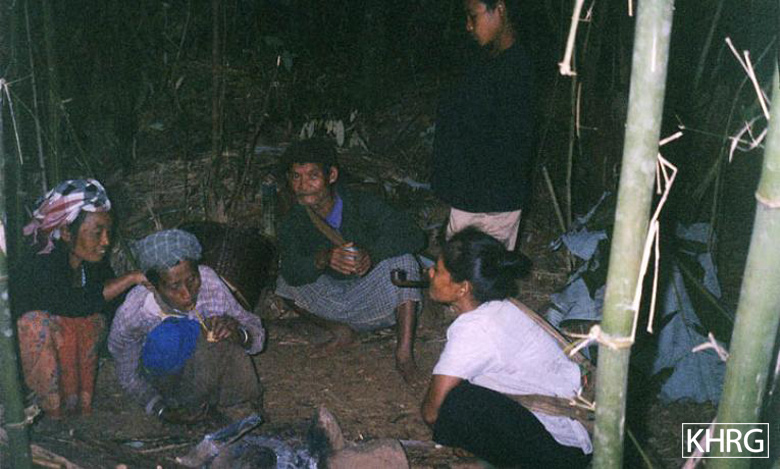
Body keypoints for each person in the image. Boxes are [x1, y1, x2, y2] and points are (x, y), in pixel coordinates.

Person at [421, 228, 592, 468]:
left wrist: (457, 435)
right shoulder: (501, 306)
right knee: (465, 390)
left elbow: (432, 413)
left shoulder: (475, 329)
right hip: (575, 431)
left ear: (463, 288)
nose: (430, 272)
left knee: (457, 403)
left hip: (561, 451)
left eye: (438, 271)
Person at [274, 138, 426, 383]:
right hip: (332, 303)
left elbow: (413, 235)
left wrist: (372, 255)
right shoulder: (293, 221)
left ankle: (404, 355)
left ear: (331, 175)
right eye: (295, 177)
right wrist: (322, 259)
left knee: (405, 263)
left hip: (373, 297)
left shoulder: (362, 203)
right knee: (284, 282)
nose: (303, 185)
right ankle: (340, 332)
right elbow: (292, 271)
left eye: (313, 176)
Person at [14, 178, 148, 419]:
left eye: (108, 232)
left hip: (60, 355)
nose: (106, 241)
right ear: (66, 232)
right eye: (97, 233)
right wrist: (130, 278)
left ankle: (74, 403)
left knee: (93, 320)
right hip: (16, 366)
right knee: (36, 324)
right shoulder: (40, 262)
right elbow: (71, 303)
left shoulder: (91, 264)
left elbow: (111, 307)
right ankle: (44, 407)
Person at [108, 229, 265, 424]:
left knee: (215, 329)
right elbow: (128, 376)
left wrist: (239, 334)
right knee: (170, 336)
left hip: (205, 371)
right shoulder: (134, 312)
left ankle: (238, 405)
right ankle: (189, 407)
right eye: (174, 286)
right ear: (152, 285)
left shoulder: (209, 282)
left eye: (192, 280)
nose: (187, 294)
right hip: (165, 385)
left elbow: (256, 333)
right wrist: (160, 409)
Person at [432, 0, 534, 251]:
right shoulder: (486, 59)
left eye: (473, 16)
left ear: (500, 8)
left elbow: (508, 146)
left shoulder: (516, 68)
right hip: (469, 196)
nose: (469, 26)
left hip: (489, 204)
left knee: (471, 271)